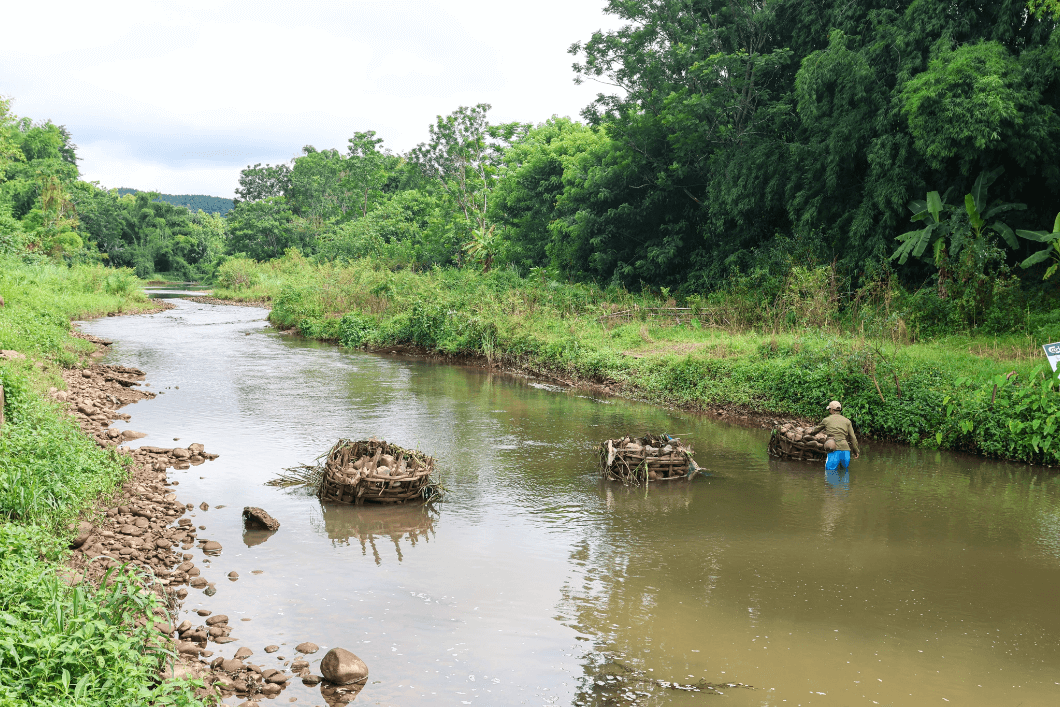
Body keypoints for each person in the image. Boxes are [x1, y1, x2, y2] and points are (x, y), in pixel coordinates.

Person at [811, 400, 859, 471]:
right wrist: (856, 451)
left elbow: (815, 431)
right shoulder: (847, 421)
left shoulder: (826, 420)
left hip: (833, 449)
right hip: (845, 450)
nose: (829, 411)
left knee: (830, 473)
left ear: (832, 410)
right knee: (844, 474)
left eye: (829, 409)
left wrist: (810, 433)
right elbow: (853, 438)